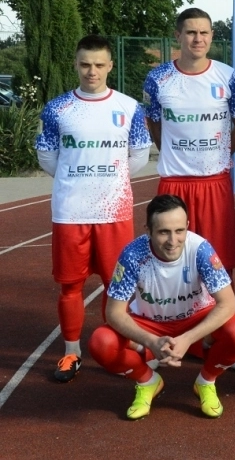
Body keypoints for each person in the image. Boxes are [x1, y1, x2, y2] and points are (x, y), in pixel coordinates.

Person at [34, 35, 152, 383]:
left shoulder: (129, 107)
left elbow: (139, 156)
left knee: (116, 285)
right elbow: (47, 157)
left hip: (114, 211)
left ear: (110, 66)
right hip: (71, 212)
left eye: (99, 64)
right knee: (70, 286)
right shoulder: (57, 108)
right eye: (85, 64)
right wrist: (75, 178)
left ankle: (113, 347)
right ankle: (72, 352)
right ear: (75, 64)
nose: (92, 71)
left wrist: (108, 179)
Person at [88, 195, 235, 419]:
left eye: (179, 231)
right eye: (164, 232)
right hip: (150, 323)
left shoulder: (200, 249)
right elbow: (113, 312)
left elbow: (228, 303)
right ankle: (148, 381)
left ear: (188, 226)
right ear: (148, 230)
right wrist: (150, 341)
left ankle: (206, 381)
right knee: (101, 342)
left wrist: (188, 338)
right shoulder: (132, 255)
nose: (173, 241)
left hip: (195, 318)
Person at [143, 7, 235, 274]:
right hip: (173, 182)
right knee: (170, 260)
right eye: (191, 32)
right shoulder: (157, 79)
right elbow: (154, 123)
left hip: (214, 182)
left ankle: (221, 304)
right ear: (178, 36)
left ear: (212, 35)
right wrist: (170, 152)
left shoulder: (228, 77)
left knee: (220, 263)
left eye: (204, 32)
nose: (198, 39)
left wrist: (221, 153)